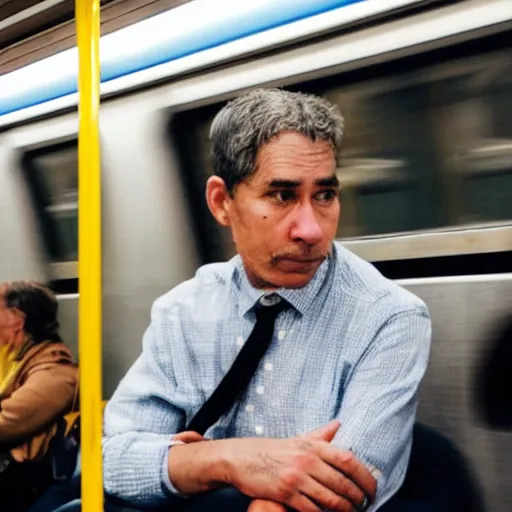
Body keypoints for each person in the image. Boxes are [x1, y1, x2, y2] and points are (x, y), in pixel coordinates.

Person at [102, 88, 432, 512]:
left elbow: (344, 489)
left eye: (325, 195)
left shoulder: (389, 317)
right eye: (282, 196)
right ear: (222, 203)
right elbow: (110, 463)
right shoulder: (182, 312)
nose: (311, 230)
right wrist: (229, 459)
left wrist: (183, 462)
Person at [0, 281, 79, 511]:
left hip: (26, 482)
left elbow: (7, 422)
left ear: (17, 320)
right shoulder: (14, 361)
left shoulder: (56, 373)